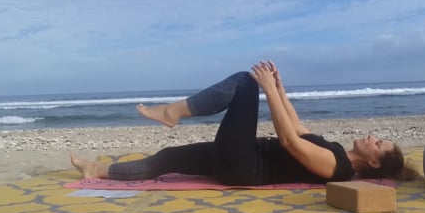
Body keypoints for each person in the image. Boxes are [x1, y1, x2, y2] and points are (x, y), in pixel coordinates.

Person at [71, 60, 405, 185]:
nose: (373, 137)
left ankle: (172, 112)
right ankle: (98, 171)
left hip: (246, 166)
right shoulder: (336, 150)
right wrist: (280, 87)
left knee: (246, 83)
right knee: (167, 157)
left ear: (374, 161)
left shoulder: (339, 168)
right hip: (241, 156)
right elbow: (299, 127)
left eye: (379, 143)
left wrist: (266, 89)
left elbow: (289, 141)